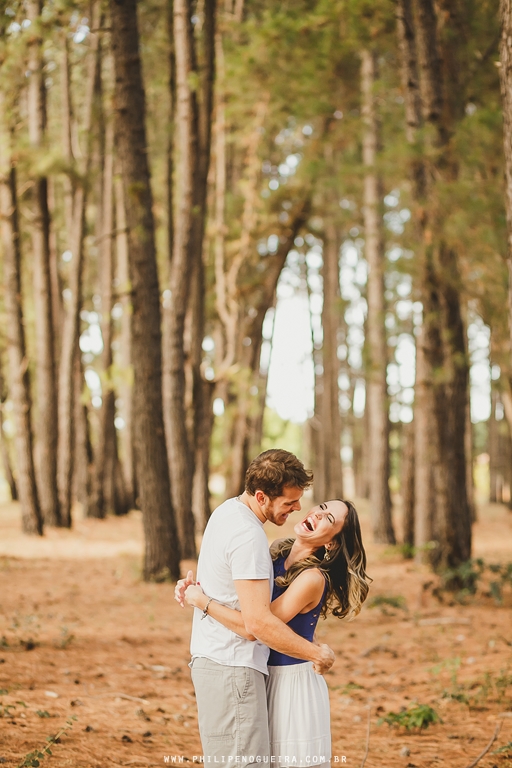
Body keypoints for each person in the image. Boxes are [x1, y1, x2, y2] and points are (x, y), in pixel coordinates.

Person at [174, 449, 336, 765]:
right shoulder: (249, 536)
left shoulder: (227, 511)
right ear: (261, 497)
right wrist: (316, 654)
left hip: (217, 663)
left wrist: (199, 597)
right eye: (289, 502)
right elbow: (256, 625)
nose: (298, 508)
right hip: (233, 670)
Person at [184, 498, 370, 767]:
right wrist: (196, 588)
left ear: (331, 543)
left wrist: (202, 602)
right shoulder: (275, 555)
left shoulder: (312, 578)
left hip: (291, 684)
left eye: (329, 519)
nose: (318, 515)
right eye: (321, 507)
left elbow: (256, 626)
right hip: (263, 674)